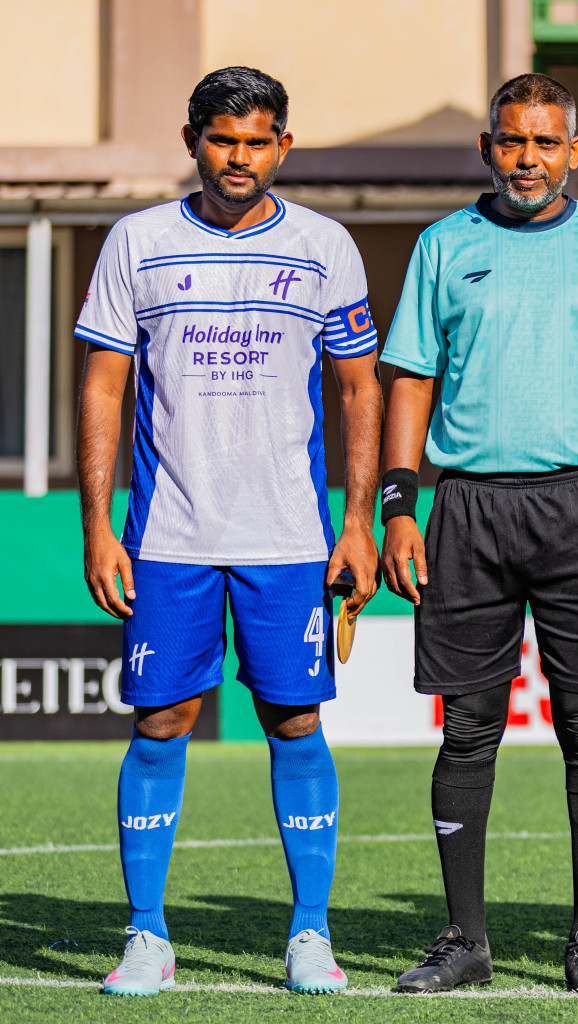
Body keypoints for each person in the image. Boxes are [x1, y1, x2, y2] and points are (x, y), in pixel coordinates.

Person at [75, 66, 381, 996]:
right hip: (168, 535)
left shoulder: (326, 245)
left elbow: (361, 387)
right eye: (222, 140)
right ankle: (147, 935)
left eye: (257, 141)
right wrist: (98, 525)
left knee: (295, 719)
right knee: (161, 719)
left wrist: (358, 521)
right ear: (191, 140)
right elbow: (101, 385)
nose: (238, 158)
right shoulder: (139, 240)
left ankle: (310, 934)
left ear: (283, 146)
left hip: (289, 537)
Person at [378, 73, 578, 995]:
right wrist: (398, 502)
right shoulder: (443, 247)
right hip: (467, 506)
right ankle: (465, 938)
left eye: (546, 144)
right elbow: (411, 379)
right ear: (487, 148)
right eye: (512, 142)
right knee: (468, 727)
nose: (529, 160)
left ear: (574, 153)